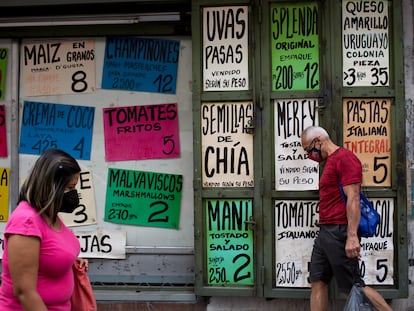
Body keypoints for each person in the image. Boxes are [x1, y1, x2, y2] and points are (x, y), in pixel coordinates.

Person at [300, 126, 392, 311]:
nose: (310, 155)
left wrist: (351, 236)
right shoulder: (330, 162)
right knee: (318, 280)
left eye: (309, 149)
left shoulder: (344, 158)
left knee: (353, 285)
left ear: (319, 140)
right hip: (326, 231)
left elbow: (354, 197)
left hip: (339, 230)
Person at [0, 148, 88, 311]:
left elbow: (47, 254)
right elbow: (25, 293)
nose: (73, 194)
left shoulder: (49, 214)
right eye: (69, 188)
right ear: (49, 186)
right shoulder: (26, 222)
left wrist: (69, 260)